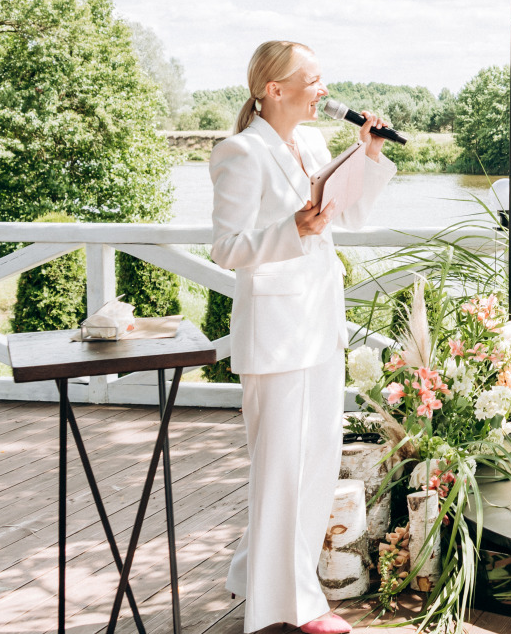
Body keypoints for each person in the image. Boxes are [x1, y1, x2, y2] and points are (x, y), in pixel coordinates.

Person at [210, 41, 396, 634]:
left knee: (314, 465)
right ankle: (294, 607)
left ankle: (253, 573)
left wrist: (366, 156)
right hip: (277, 334)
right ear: (274, 89)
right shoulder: (241, 152)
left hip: (320, 323)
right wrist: (291, 229)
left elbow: (356, 218)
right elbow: (227, 248)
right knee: (282, 469)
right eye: (312, 80)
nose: (324, 90)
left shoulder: (314, 144)